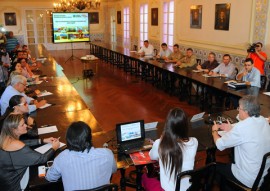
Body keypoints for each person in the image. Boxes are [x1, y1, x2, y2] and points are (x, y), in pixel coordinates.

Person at [212, 95, 270, 190]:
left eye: (239, 108)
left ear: (246, 111)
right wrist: (231, 129)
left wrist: (214, 131)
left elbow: (220, 145)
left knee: (213, 168)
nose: (238, 110)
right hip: (263, 176)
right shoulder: (263, 121)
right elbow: (249, 132)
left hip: (248, 179)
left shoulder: (242, 127)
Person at [46, 121, 117, 191]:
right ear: (90, 138)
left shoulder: (62, 158)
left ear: (68, 140)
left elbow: (50, 177)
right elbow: (113, 170)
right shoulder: (107, 153)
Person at [0, 114, 60, 191]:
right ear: (13, 129)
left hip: (5, 183)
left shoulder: (5, 138)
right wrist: (54, 147)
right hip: (17, 185)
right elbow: (42, 158)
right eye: (22, 125)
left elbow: (23, 142)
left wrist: (42, 140)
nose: (26, 126)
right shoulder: (17, 145)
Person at [146, 108, 198, 191]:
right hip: (188, 188)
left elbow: (152, 156)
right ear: (185, 125)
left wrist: (159, 142)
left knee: (144, 178)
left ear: (168, 126)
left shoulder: (159, 143)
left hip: (167, 189)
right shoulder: (194, 142)